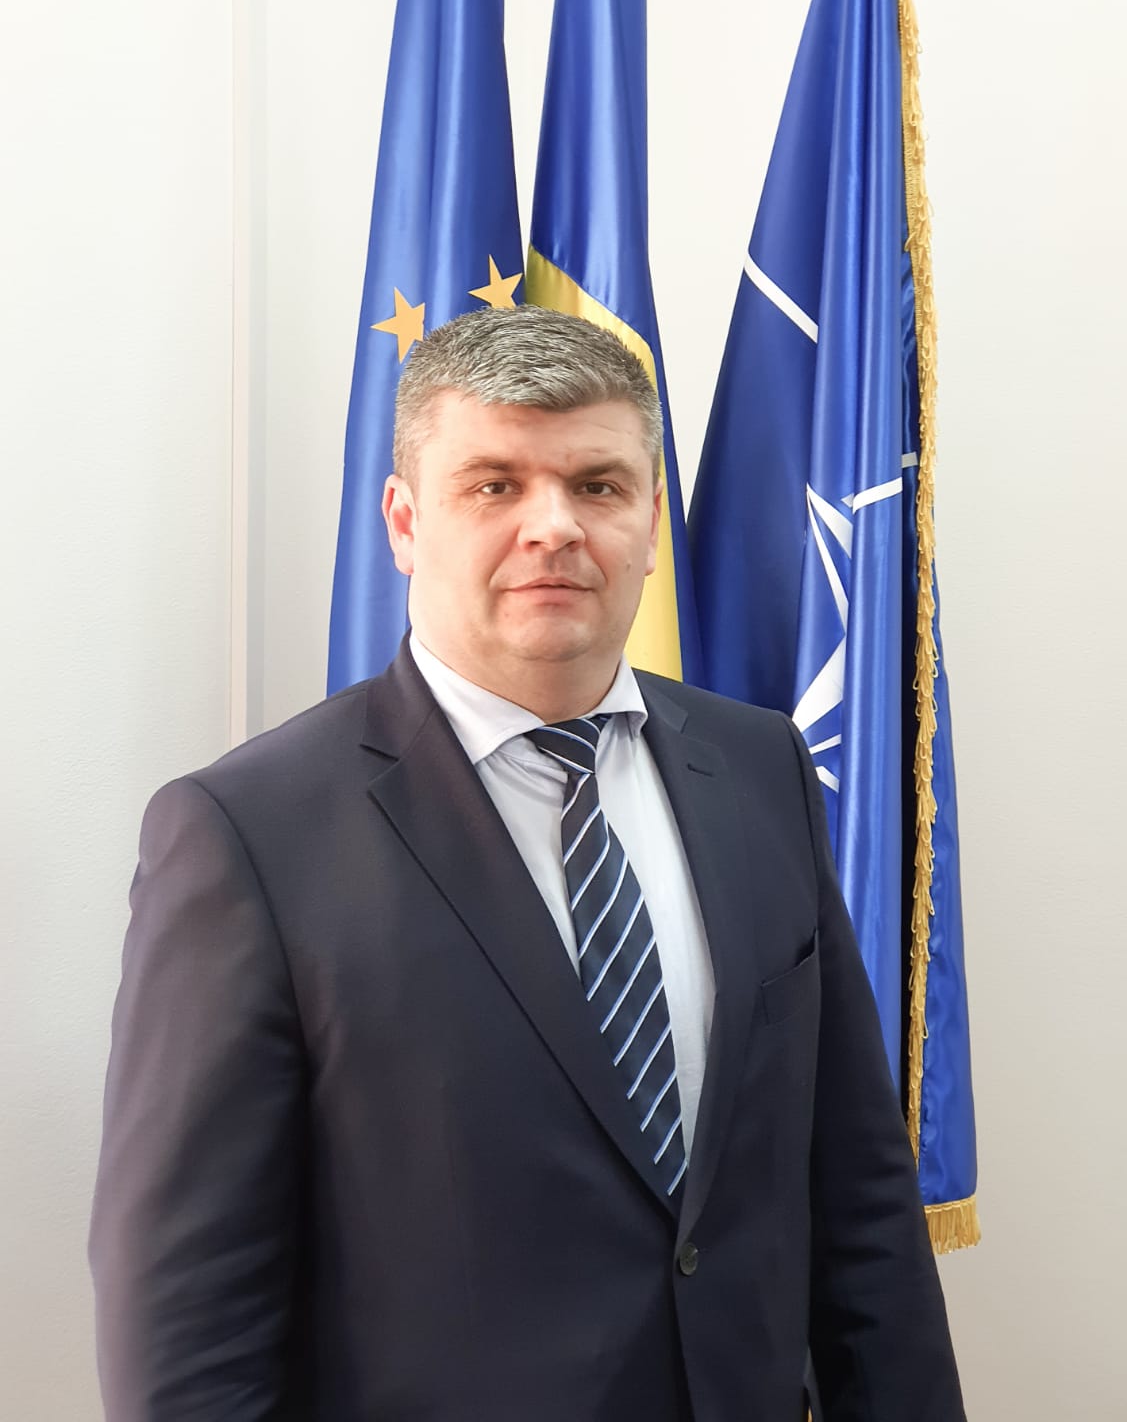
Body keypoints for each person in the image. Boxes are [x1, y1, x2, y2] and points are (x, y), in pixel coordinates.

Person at [90, 305, 965, 1421]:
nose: (553, 526)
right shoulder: (245, 836)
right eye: (493, 485)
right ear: (404, 522)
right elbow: (184, 1323)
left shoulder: (760, 769)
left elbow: (859, 1205)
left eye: (598, 485)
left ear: (652, 520)